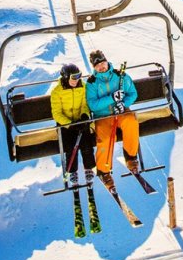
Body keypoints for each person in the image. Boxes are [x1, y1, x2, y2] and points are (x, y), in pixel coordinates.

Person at [84, 49, 140, 182]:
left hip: (121, 112)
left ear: (106, 61)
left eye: (102, 63)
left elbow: (132, 93)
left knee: (131, 122)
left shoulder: (119, 76)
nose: (101, 67)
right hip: (103, 116)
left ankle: (131, 158)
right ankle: (104, 171)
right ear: (94, 67)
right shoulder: (92, 83)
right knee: (105, 139)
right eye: (97, 66)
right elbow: (93, 105)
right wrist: (112, 98)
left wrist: (124, 104)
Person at [50, 62, 96, 187]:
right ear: (66, 77)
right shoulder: (57, 92)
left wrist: (84, 115)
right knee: (70, 147)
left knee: (86, 144)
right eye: (73, 77)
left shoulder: (83, 86)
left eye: (79, 76)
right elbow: (57, 113)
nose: (77, 80)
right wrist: (70, 124)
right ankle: (72, 171)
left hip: (81, 121)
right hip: (66, 125)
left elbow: (84, 104)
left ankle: (89, 167)